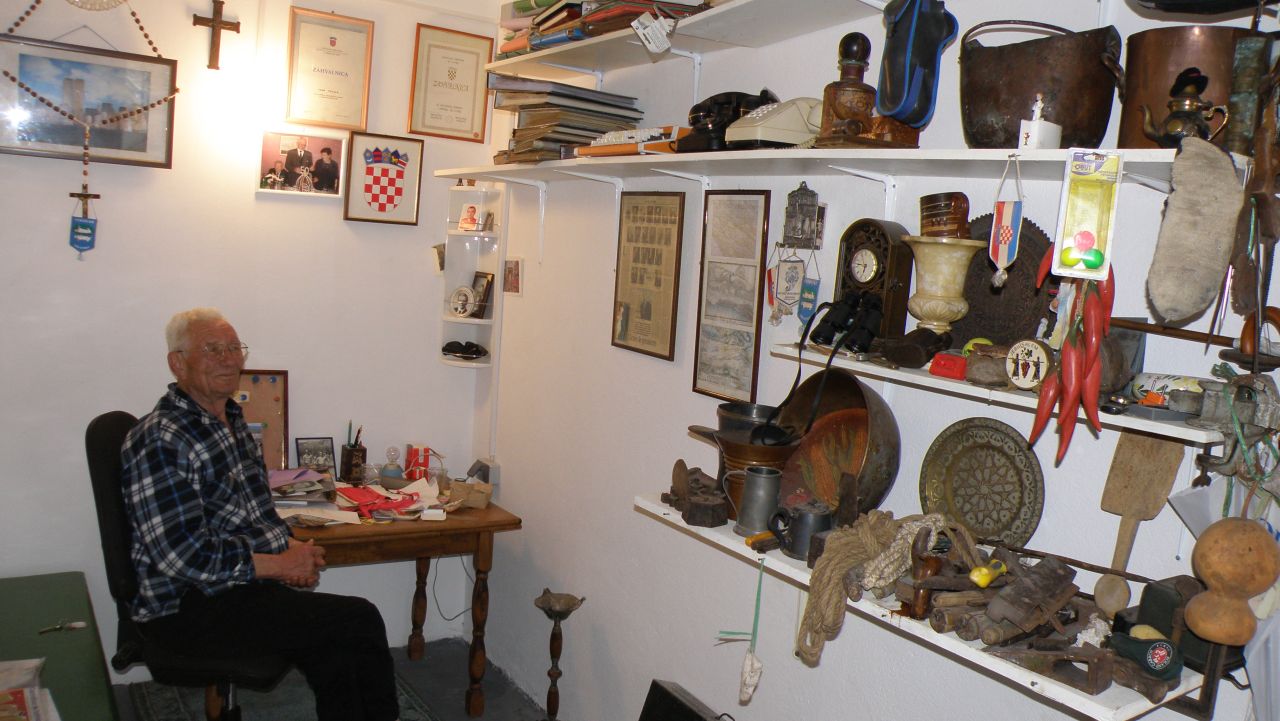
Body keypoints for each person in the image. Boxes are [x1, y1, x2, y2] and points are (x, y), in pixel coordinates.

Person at [120, 308, 400, 721]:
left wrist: (294, 552)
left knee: (335, 647)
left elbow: (256, 515)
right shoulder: (161, 439)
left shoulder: (231, 421)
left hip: (236, 590)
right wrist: (279, 565)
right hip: (185, 608)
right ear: (177, 363)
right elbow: (182, 556)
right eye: (212, 349)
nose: (228, 359)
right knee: (358, 619)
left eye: (234, 348)